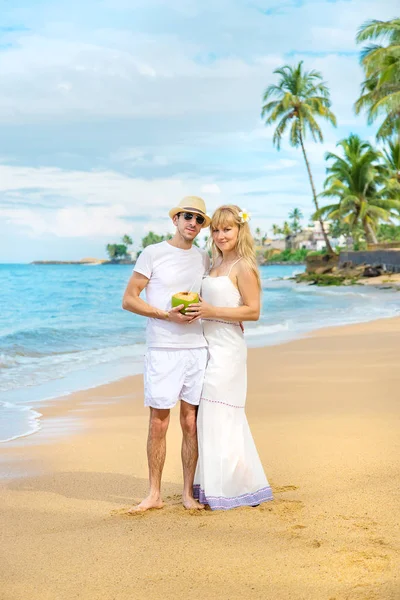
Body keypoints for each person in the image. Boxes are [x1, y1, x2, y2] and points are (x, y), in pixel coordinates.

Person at [122, 196, 211, 512]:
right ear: (176, 219)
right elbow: (129, 299)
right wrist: (165, 315)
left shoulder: (204, 259)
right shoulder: (153, 253)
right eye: (188, 216)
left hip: (197, 350)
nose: (193, 223)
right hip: (162, 349)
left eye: (199, 219)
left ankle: (187, 493)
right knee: (159, 422)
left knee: (191, 423)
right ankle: (154, 494)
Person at [186, 205, 273, 510]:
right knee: (209, 416)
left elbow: (253, 311)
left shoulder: (243, 266)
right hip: (207, 346)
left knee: (220, 412)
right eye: (216, 230)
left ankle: (234, 487)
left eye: (227, 229)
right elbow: (208, 304)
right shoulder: (212, 265)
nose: (221, 235)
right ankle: (220, 484)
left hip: (229, 349)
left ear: (240, 231)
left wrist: (211, 311)